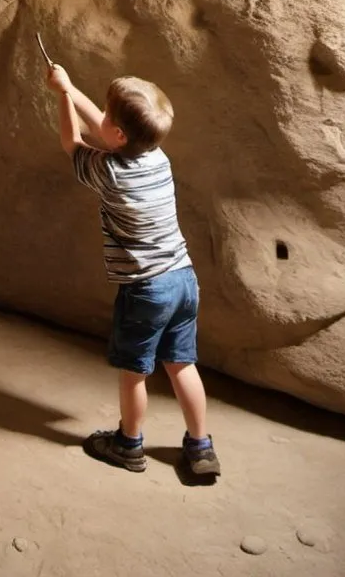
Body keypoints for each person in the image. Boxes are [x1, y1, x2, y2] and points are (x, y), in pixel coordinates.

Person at [45, 64, 221, 478]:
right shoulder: (159, 159)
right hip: (183, 278)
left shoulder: (109, 174)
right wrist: (71, 85)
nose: (101, 118)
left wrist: (62, 96)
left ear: (120, 134)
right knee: (182, 365)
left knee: (134, 372)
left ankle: (128, 443)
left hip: (146, 290)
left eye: (106, 115)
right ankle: (200, 447)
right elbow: (108, 130)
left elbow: (72, 141)